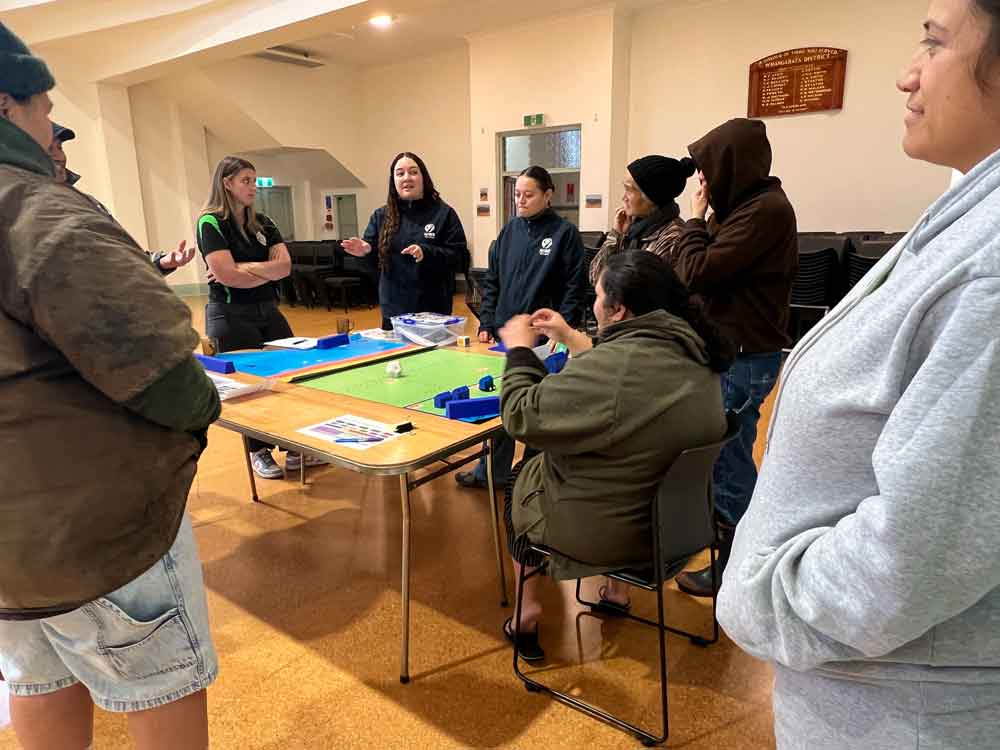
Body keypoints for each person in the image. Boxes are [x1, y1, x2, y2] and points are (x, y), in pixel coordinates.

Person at [717, 1, 1000, 746]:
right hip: (865, 689)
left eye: (934, 43)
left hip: (902, 710)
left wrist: (764, 600)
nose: (908, 74)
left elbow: (917, 554)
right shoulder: (968, 210)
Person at [0, 22, 220, 749]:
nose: (53, 129)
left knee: (38, 682)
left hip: (12, 548)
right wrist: (197, 423)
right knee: (160, 687)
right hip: (94, 529)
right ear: (8, 106)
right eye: (44, 109)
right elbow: (167, 374)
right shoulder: (35, 211)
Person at [497, 252, 732, 660]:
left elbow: (521, 414)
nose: (593, 302)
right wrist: (570, 336)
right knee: (625, 454)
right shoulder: (695, 352)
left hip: (617, 534)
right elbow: (622, 383)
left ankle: (527, 612)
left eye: (598, 294)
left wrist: (518, 351)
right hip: (679, 528)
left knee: (523, 476)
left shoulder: (620, 366)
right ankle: (617, 593)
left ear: (618, 309)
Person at [670, 118, 798, 598]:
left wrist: (693, 219)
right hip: (734, 351)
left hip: (743, 357)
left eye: (706, 170)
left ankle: (736, 569)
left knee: (729, 460)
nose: (701, 181)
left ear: (730, 165)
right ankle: (733, 553)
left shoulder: (764, 211)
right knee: (727, 455)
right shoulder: (748, 205)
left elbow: (695, 271)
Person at [455, 165, 585, 491]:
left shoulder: (564, 234)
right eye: (517, 195)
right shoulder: (509, 231)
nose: (521, 200)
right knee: (505, 403)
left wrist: (563, 329)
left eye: (528, 195)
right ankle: (491, 472)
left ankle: (531, 476)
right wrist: (487, 321)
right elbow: (492, 281)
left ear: (548, 195)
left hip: (545, 338)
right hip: (508, 335)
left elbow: (574, 286)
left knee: (539, 408)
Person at [196, 156, 319, 479]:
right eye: (246, 180)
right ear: (227, 183)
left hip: (268, 310)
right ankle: (259, 451)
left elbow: (285, 267)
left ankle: (293, 447)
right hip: (230, 313)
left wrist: (244, 268)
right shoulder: (210, 223)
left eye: (254, 180)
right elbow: (226, 276)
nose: (253, 187)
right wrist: (262, 271)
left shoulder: (264, 222)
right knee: (246, 387)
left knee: (289, 375)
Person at [48, 121, 196, 275]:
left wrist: (162, 263)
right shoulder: (27, 212)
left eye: (59, 148)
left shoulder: (89, 204)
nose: (58, 156)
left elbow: (122, 254)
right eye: (48, 149)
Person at [342, 152, 469, 328]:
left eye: (413, 172)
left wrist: (427, 252)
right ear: (393, 181)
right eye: (400, 173)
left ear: (423, 177)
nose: (406, 177)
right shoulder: (381, 216)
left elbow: (460, 258)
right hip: (394, 312)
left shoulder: (444, 214)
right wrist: (365, 253)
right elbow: (371, 268)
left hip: (433, 311)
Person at [588, 154, 697, 284]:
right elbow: (595, 278)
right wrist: (616, 235)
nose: (624, 198)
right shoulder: (633, 228)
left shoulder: (673, 237)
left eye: (629, 190)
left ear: (651, 197)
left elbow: (630, 289)